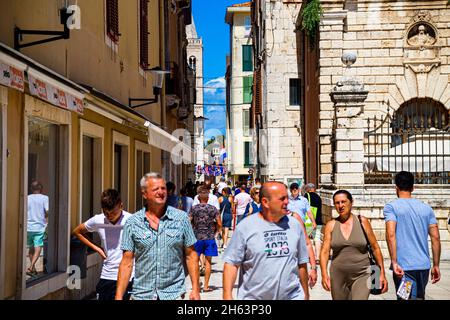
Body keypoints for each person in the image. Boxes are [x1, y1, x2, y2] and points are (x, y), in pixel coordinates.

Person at [116, 172, 200, 300]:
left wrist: (195, 289)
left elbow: (191, 255)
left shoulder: (181, 218)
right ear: (144, 194)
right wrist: (118, 296)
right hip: (142, 294)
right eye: (155, 189)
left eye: (163, 188)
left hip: (173, 294)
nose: (161, 192)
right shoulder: (132, 222)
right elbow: (127, 262)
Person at [223, 181, 310, 300]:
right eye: (282, 198)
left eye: (287, 197)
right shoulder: (245, 227)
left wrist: (306, 294)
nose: (287, 202)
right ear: (265, 202)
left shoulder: (295, 225)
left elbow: (302, 263)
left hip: (292, 296)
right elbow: (231, 264)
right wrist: (227, 296)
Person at [320, 190, 388, 300]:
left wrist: (382, 274)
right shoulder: (331, 225)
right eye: (337, 203)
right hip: (338, 276)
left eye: (343, 202)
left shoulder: (363, 222)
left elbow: (375, 248)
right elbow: (324, 251)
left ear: (351, 202)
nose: (340, 205)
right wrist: (324, 274)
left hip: (362, 274)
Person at [384, 171, 441, 300]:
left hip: (404, 269)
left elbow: (390, 234)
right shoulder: (426, 209)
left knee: (405, 298)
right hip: (423, 267)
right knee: (419, 297)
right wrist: (436, 265)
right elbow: (435, 238)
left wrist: (394, 262)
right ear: (413, 187)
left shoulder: (391, 207)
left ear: (396, 188)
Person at [72, 189, 133, 300]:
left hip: (128, 277)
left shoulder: (132, 221)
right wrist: (97, 248)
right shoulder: (98, 220)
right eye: (106, 213)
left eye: (113, 212)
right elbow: (77, 232)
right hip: (107, 275)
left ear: (121, 206)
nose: (109, 216)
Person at [189, 187, 222, 292]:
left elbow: (188, 222)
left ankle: (196, 285)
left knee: (195, 262)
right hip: (209, 238)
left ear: (198, 198)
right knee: (208, 262)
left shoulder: (194, 208)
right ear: (208, 198)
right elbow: (220, 223)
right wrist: (216, 232)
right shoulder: (213, 209)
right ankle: (206, 286)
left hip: (196, 238)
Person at [26, 180, 49, 276]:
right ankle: (31, 267)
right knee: (38, 247)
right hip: (39, 227)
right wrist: (47, 221)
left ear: (31, 189)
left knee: (31, 248)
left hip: (28, 227)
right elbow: (47, 211)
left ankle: (33, 269)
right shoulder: (45, 198)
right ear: (41, 188)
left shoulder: (27, 198)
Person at [304, 183, 323, 263]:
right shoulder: (318, 197)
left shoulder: (306, 196)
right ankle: (317, 257)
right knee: (317, 238)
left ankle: (310, 256)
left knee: (307, 239)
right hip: (318, 220)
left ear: (308, 189)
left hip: (309, 221)